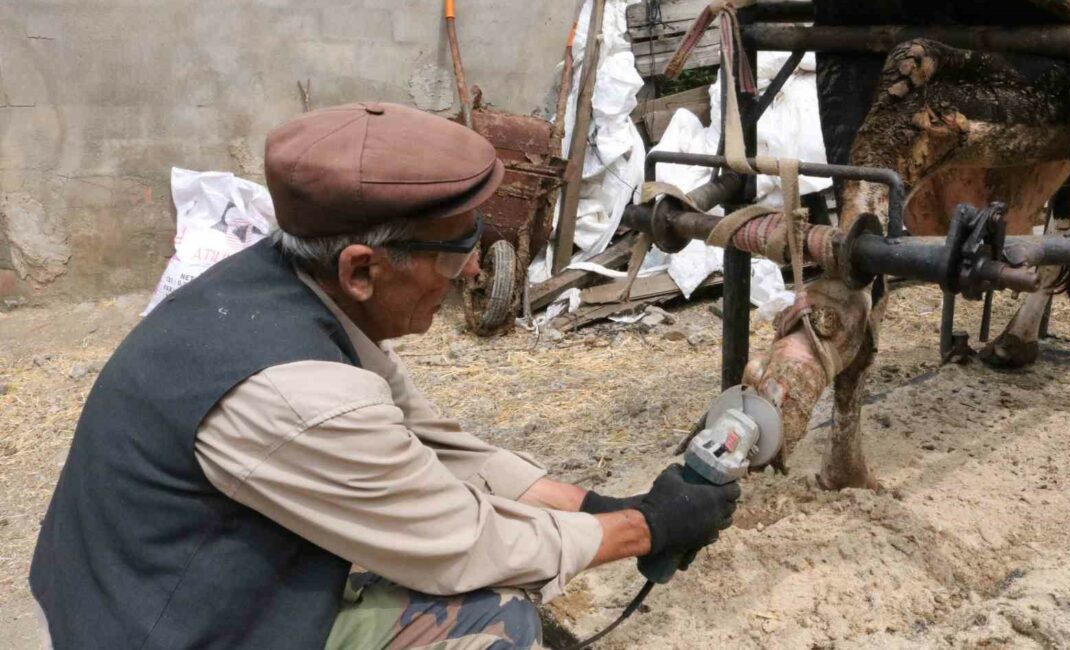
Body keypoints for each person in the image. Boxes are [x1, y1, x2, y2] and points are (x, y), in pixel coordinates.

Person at [30, 102, 740, 649]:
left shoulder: (289, 290)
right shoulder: (298, 396)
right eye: (458, 248)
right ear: (362, 269)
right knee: (491, 619)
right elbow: (465, 544)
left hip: (161, 584)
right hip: (167, 627)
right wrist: (644, 530)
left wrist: (597, 505)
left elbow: (440, 446)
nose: (470, 270)